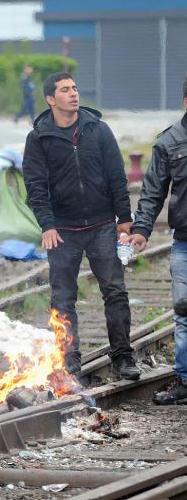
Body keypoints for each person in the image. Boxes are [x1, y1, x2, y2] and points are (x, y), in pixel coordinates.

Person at [22, 72, 141, 381]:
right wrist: (47, 225)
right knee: (62, 299)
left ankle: (123, 357)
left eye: (74, 88)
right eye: (65, 90)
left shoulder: (98, 130)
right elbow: (35, 186)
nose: (73, 93)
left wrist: (124, 221)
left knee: (115, 291)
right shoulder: (39, 138)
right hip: (62, 230)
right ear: (51, 99)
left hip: (102, 224)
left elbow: (117, 177)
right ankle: (69, 358)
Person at [126, 77, 187, 404]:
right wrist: (142, 230)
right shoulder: (170, 142)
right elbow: (152, 193)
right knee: (183, 312)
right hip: (185, 243)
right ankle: (185, 379)